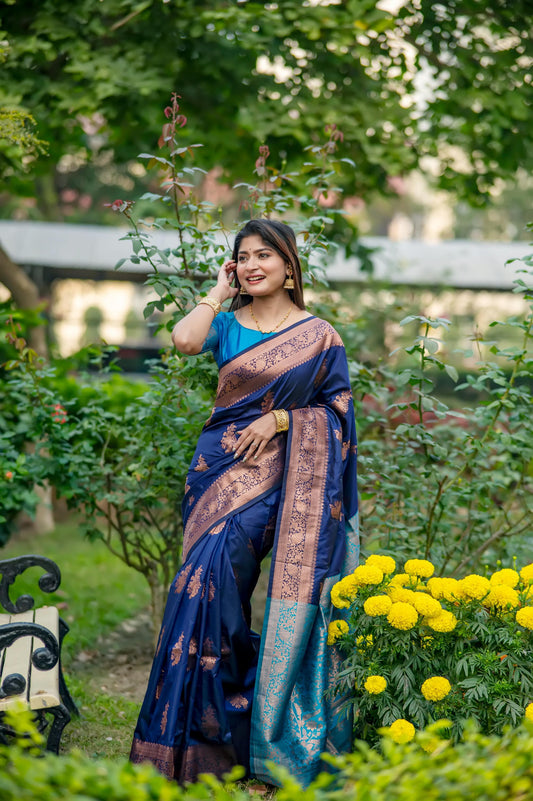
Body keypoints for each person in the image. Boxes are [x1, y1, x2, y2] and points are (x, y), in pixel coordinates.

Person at [130, 219, 359, 787]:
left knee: (221, 588)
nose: (254, 265)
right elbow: (184, 341)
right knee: (197, 592)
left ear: (289, 265)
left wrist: (282, 418)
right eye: (243, 257)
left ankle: (227, 722)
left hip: (273, 479)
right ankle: (196, 739)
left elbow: (338, 414)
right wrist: (216, 290)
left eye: (265, 255)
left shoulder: (319, 335)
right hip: (213, 473)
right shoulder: (227, 325)